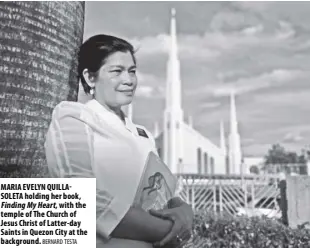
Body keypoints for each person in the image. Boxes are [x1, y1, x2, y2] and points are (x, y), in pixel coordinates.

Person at [44, 34, 193, 247]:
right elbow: (80, 200)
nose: (128, 80)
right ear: (90, 77)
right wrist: (167, 230)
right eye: (116, 71)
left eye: (132, 71)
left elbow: (163, 191)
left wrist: (183, 209)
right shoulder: (74, 118)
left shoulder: (144, 135)